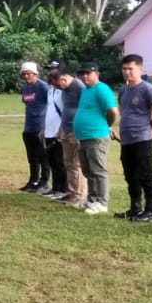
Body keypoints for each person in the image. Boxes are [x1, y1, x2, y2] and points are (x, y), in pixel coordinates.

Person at [115, 55, 152, 222]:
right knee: (130, 175)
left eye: (131, 69)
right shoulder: (123, 90)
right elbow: (123, 111)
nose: (127, 72)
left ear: (140, 69)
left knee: (145, 174)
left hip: (142, 139)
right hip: (127, 140)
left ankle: (151, 210)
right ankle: (135, 208)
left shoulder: (147, 89)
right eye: (124, 69)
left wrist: (151, 125)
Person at [72, 62, 119, 215]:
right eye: (82, 73)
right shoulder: (86, 90)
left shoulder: (102, 89)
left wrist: (106, 125)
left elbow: (113, 111)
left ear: (97, 74)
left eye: (88, 73)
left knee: (98, 170)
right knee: (87, 170)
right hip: (84, 136)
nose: (84, 76)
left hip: (96, 135)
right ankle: (92, 199)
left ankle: (102, 202)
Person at [55, 70, 89, 208]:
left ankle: (80, 196)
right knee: (68, 163)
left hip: (77, 131)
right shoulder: (64, 90)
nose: (58, 88)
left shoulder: (80, 87)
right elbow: (66, 109)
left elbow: (87, 108)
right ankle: (73, 193)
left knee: (76, 164)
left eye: (58, 85)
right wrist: (61, 129)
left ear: (63, 78)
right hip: (66, 130)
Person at [18, 62, 51, 193]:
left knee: (43, 156)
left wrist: (47, 124)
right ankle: (33, 181)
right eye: (24, 74)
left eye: (28, 74)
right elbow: (26, 102)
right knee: (32, 157)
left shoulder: (43, 87)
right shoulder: (25, 88)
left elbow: (52, 103)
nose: (26, 76)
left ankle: (44, 182)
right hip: (29, 127)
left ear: (35, 73)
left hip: (40, 126)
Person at [42, 64, 68, 200]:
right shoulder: (50, 91)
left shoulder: (63, 91)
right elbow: (49, 109)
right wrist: (44, 128)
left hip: (59, 131)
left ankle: (64, 188)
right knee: (51, 160)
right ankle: (55, 187)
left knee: (60, 161)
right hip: (49, 130)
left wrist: (62, 130)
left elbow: (65, 111)